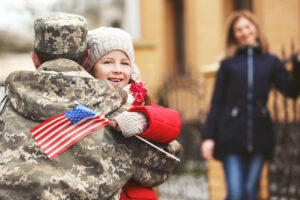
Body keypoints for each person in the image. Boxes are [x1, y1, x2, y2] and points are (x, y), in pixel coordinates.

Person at [0, 12, 182, 200]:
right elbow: (165, 163)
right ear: (87, 58)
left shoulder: (5, 107)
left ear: (34, 59)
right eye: (109, 62)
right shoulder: (114, 114)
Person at [201, 10, 300, 200]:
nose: (244, 32)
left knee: (249, 192)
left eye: (247, 26)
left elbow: (290, 90)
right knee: (236, 193)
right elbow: (217, 102)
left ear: (255, 27)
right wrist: (208, 137)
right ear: (234, 35)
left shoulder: (270, 61)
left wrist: (297, 66)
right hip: (230, 136)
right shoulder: (228, 64)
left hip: (259, 136)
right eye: (239, 29)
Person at [86, 27, 181, 200]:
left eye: (124, 63)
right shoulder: (84, 102)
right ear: (91, 68)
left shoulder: (135, 99)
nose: (117, 69)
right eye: (107, 62)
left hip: (133, 193)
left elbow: (172, 123)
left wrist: (143, 118)